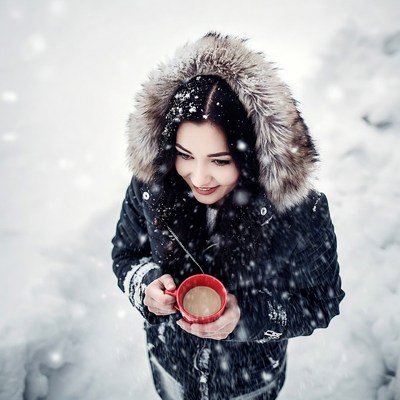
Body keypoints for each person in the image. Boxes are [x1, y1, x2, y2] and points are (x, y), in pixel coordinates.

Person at [112, 32, 345, 400]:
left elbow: (321, 300)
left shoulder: (297, 211)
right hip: (171, 368)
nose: (199, 178)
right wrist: (146, 286)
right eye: (185, 154)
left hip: (249, 384)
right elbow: (126, 255)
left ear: (249, 156)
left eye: (220, 161)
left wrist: (246, 317)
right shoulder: (151, 187)